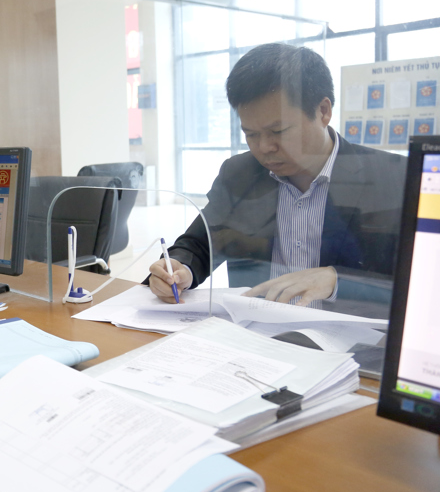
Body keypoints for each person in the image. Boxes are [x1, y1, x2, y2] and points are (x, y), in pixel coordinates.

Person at [148, 44, 405, 310]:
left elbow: (419, 280)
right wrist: (180, 268)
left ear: (323, 111)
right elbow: (200, 244)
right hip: (257, 336)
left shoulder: (394, 178)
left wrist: (338, 280)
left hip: (351, 345)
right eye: (251, 134)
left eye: (279, 131)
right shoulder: (239, 174)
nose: (264, 148)